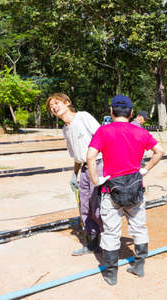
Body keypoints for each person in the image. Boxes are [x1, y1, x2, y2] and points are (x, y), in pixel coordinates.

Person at [86, 95, 164, 285]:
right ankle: (139, 266)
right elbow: (160, 151)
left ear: (111, 112)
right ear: (131, 113)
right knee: (139, 227)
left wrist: (96, 180)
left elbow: (89, 156)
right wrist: (145, 170)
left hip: (110, 191)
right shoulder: (141, 132)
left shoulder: (103, 131)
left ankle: (111, 274)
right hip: (136, 189)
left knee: (111, 232)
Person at [46, 93, 103, 256]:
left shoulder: (83, 117)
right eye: (51, 107)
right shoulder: (65, 129)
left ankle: (109, 243)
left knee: (98, 206)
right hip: (84, 169)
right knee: (85, 207)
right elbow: (77, 155)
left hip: (98, 164)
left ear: (67, 102)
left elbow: (102, 137)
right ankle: (92, 244)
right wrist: (74, 174)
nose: (54, 107)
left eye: (57, 103)